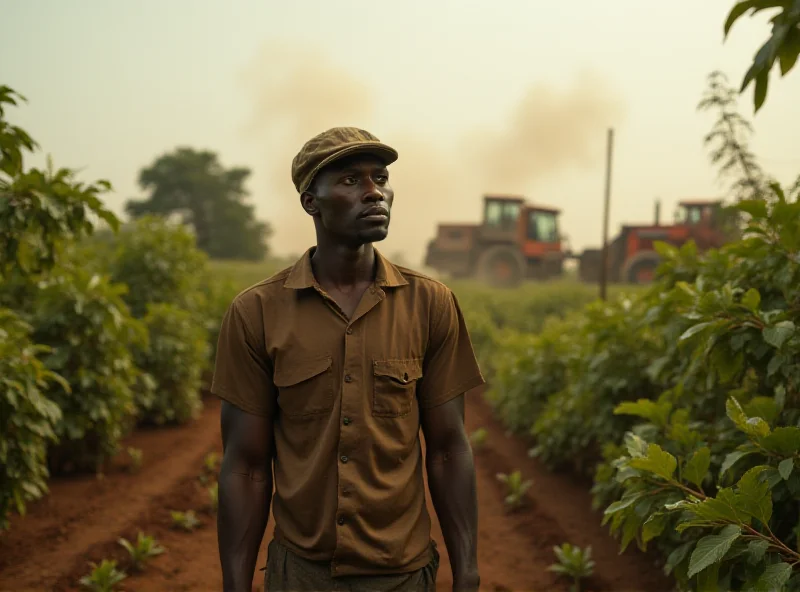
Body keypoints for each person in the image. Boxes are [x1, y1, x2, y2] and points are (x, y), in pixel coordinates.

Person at [211, 127, 485, 592]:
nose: (374, 191)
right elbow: (246, 466)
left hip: (402, 575)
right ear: (310, 202)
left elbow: (447, 448)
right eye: (351, 181)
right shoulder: (256, 312)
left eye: (380, 178)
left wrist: (468, 574)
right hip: (301, 575)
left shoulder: (431, 304)